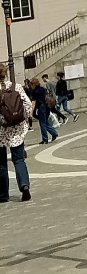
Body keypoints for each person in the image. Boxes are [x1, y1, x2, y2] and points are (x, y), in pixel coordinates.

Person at [1, 65, 33, 201]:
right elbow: (28, 105)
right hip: (17, 129)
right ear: (5, 73)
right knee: (19, 160)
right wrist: (25, 119)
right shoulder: (16, 87)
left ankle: (3, 194)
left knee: (1, 164)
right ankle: (24, 186)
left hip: (1, 131)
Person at [26, 75, 58, 145]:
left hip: (41, 108)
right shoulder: (43, 89)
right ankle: (54, 133)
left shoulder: (34, 92)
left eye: (31, 85)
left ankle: (45, 139)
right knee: (45, 122)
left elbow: (33, 103)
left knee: (42, 124)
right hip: (47, 106)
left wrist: (31, 113)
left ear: (33, 85)